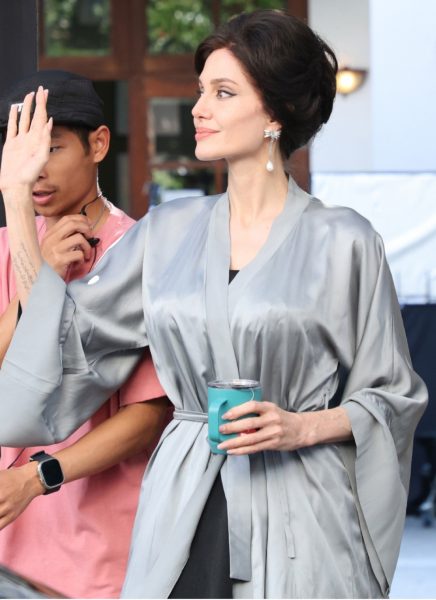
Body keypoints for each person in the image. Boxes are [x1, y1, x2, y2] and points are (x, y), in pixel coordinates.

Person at [0, 10, 428, 599]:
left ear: (275, 112)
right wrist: (16, 200)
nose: (198, 108)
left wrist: (301, 425)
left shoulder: (345, 241)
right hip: (184, 501)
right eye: (201, 90)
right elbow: (61, 341)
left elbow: (392, 395)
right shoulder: (165, 232)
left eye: (222, 93)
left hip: (304, 509)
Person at [0, 70, 169, 598]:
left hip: (90, 546)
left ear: (98, 144)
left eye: (52, 148)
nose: (36, 170)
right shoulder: (6, 244)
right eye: (23, 153)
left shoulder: (139, 254)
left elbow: (149, 415)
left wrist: (35, 478)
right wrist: (37, 279)